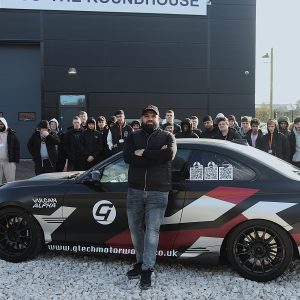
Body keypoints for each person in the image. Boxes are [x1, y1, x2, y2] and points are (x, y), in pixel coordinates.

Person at [123, 104, 177, 290]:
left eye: (153, 116)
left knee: (152, 231)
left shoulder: (167, 136)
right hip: (135, 190)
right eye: (146, 116)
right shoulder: (133, 136)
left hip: (158, 191)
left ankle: (147, 268)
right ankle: (140, 263)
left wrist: (144, 153)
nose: (149, 119)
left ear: (159, 118)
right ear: (141, 118)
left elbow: (168, 154)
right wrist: (156, 155)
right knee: (135, 229)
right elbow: (128, 158)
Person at [0, 117, 20, 183]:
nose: (0, 125)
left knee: (10, 182)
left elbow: (17, 147)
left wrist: (15, 160)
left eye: (2, 124)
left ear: (5, 124)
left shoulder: (11, 134)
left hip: (9, 161)